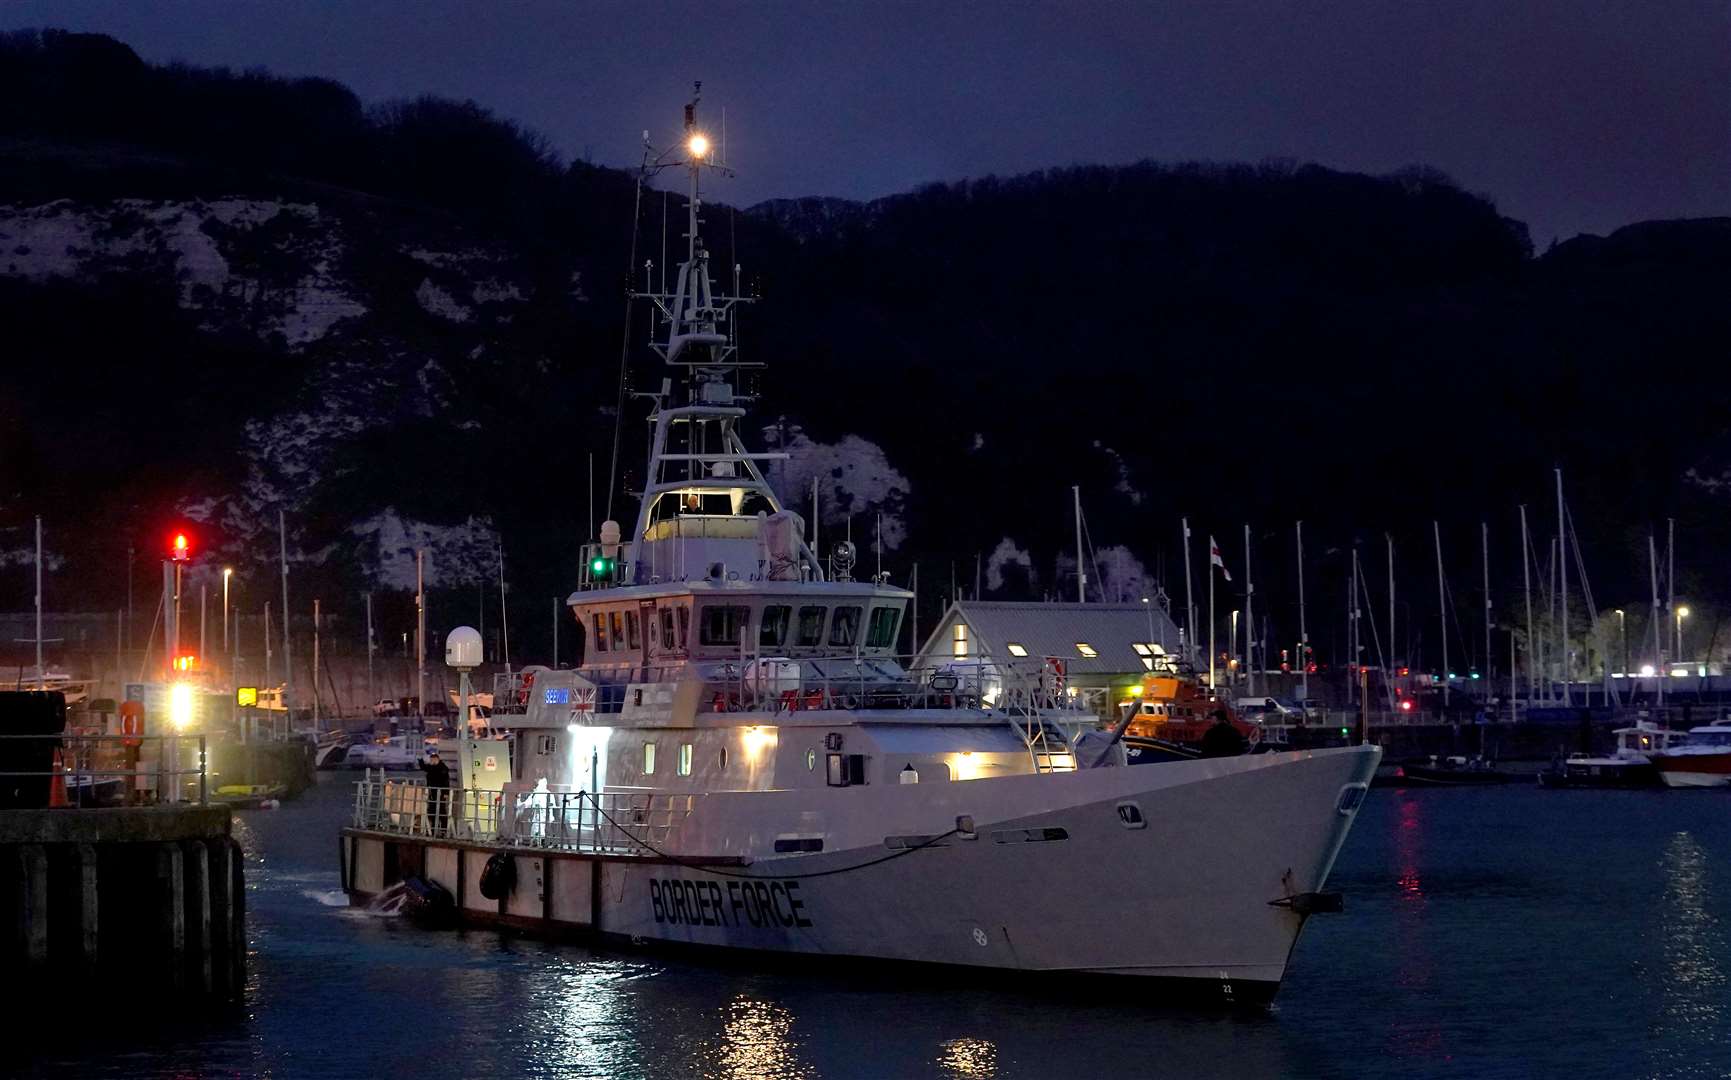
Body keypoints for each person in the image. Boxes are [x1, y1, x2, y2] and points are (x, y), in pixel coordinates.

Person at [419, 748, 452, 835]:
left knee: (441, 811)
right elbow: (423, 767)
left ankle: (443, 830)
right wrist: (421, 758)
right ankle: (433, 830)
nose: (432, 761)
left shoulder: (443, 768)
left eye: (433, 760)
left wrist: (445, 793)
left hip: (440, 792)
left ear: (437, 759)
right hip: (432, 792)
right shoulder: (431, 767)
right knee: (432, 811)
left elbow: (446, 782)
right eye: (431, 760)